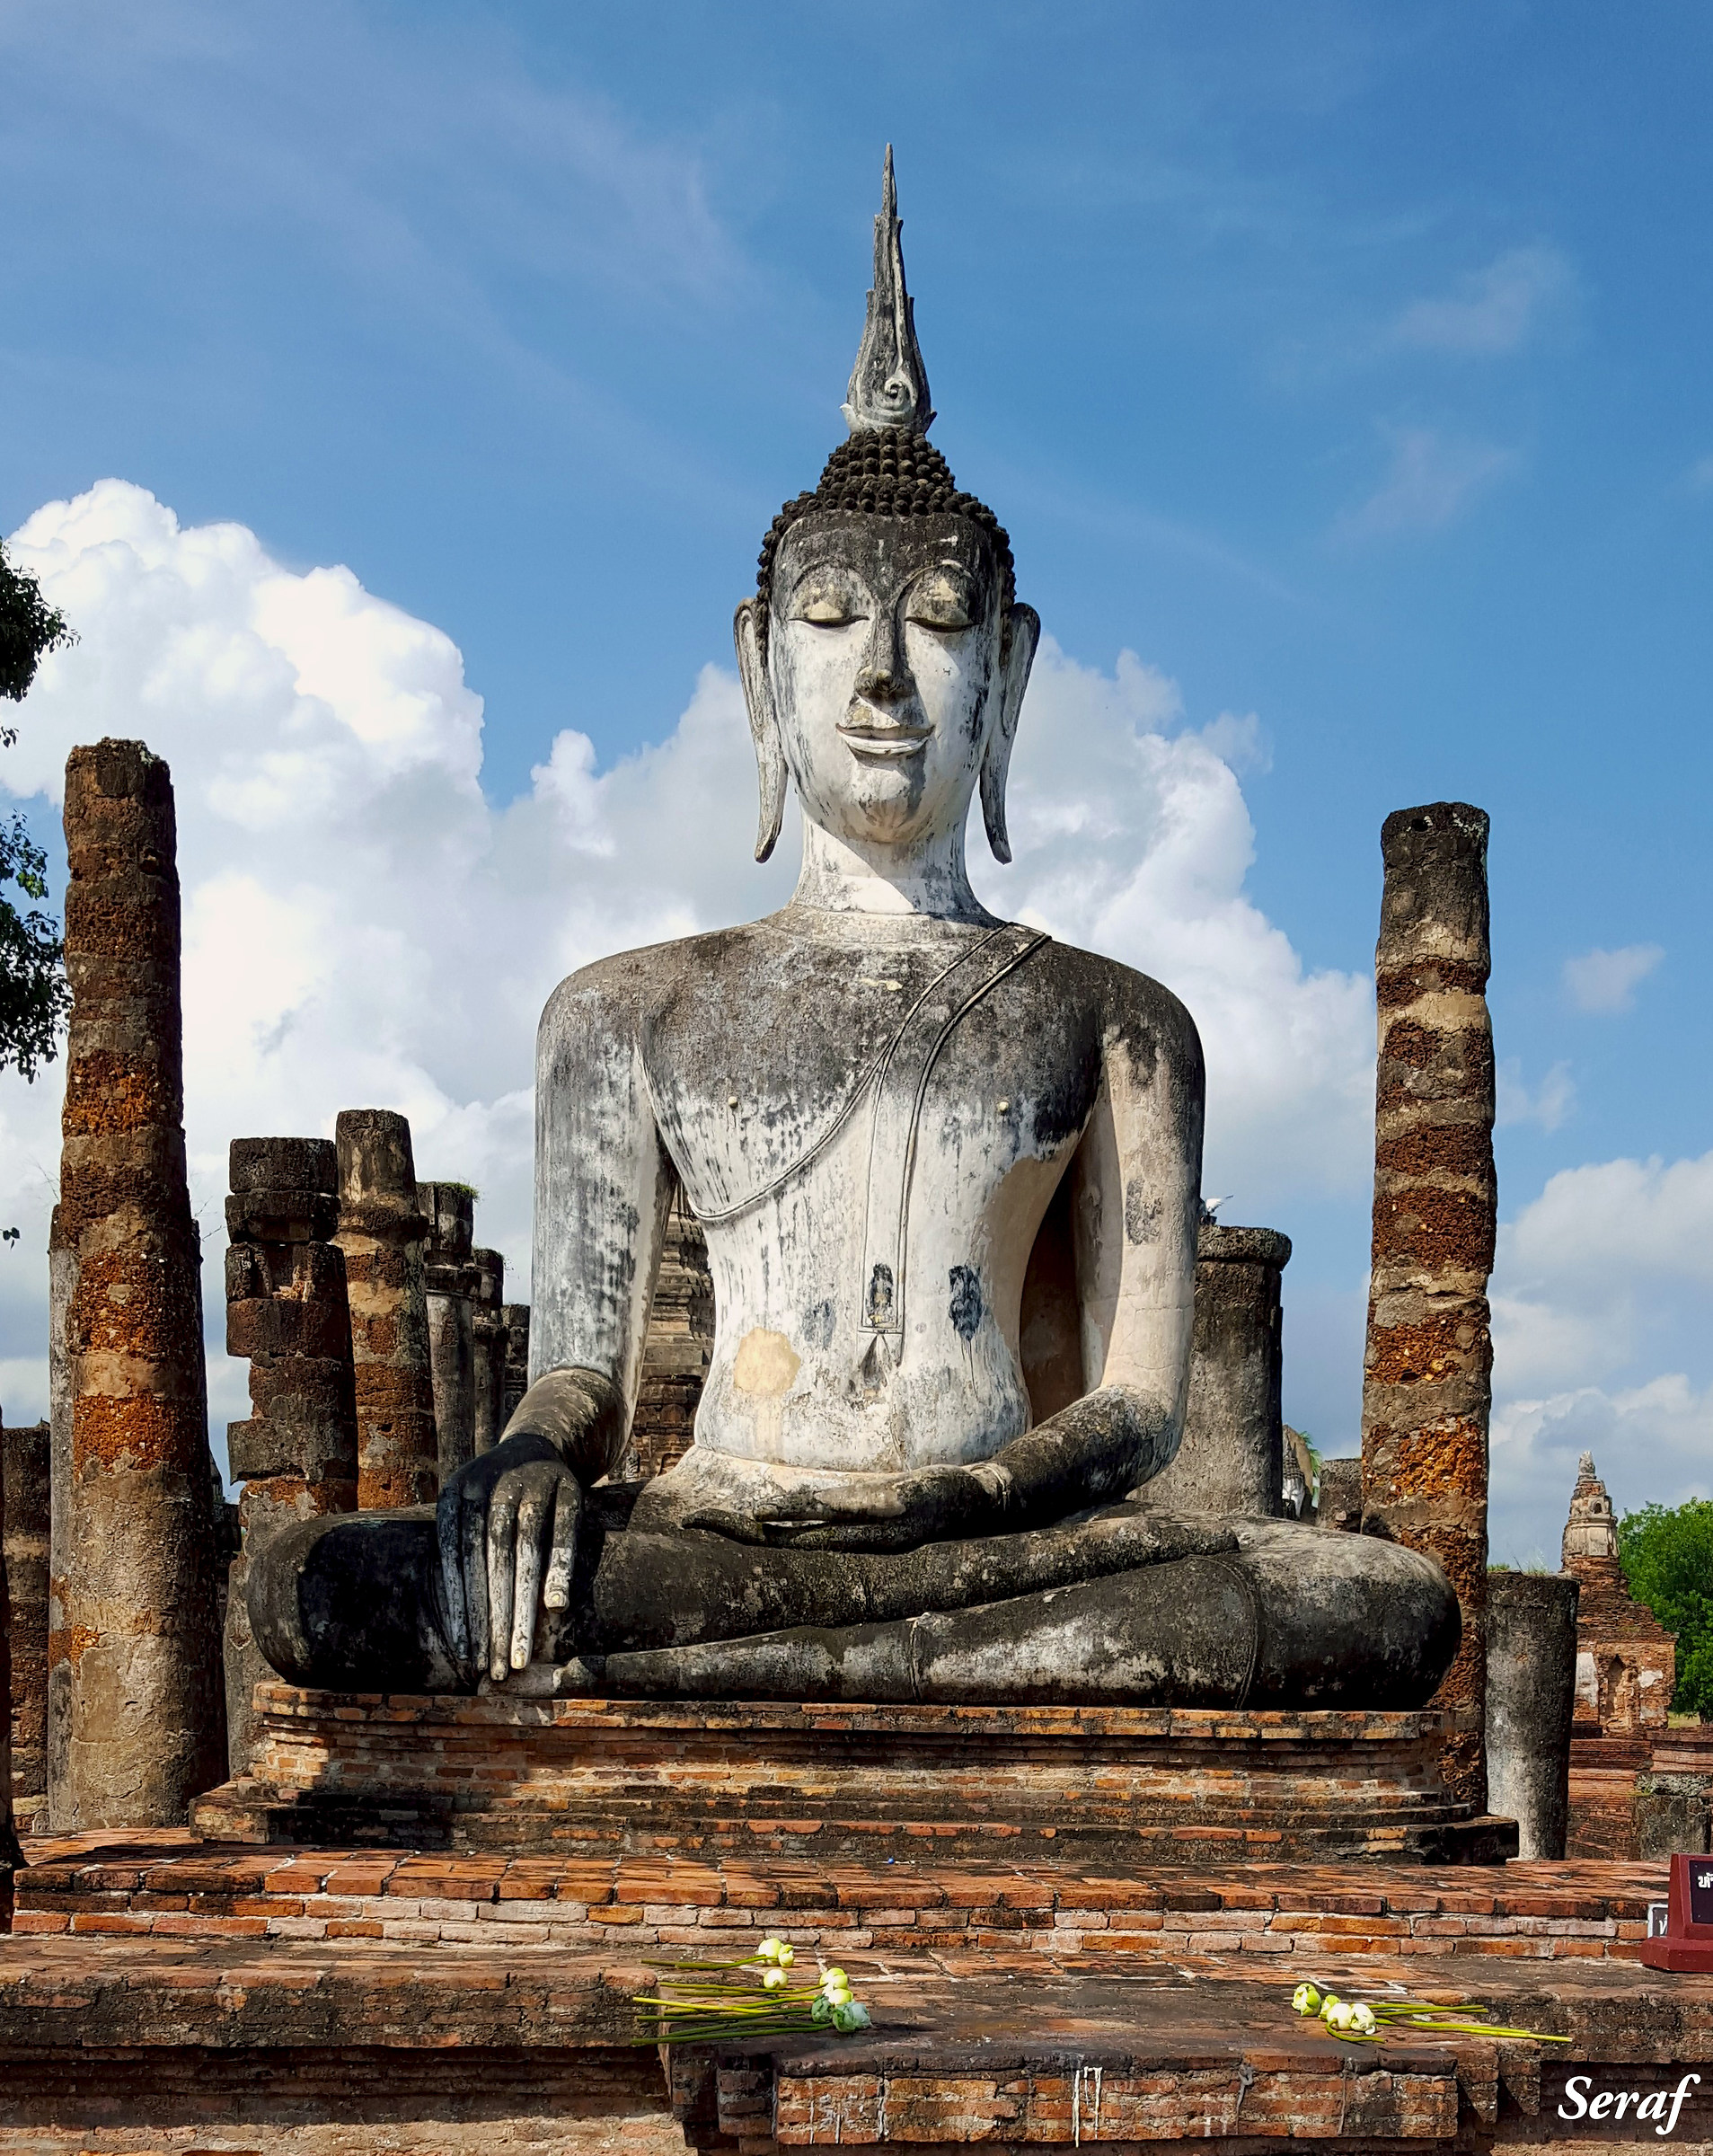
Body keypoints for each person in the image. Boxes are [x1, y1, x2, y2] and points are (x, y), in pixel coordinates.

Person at [251, 155, 1456, 1711]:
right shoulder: (627, 1011)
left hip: (1002, 1540)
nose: (883, 675)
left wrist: (961, 1502)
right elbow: (590, 1375)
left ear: (1007, 675)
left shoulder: (1117, 1017)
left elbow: (1144, 1406)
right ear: (761, 671)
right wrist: (536, 1453)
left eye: (939, 623)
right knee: (319, 1585)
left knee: (1369, 1601)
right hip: (722, 1525)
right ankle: (826, 1651)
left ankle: (787, 1659)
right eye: (831, 622)